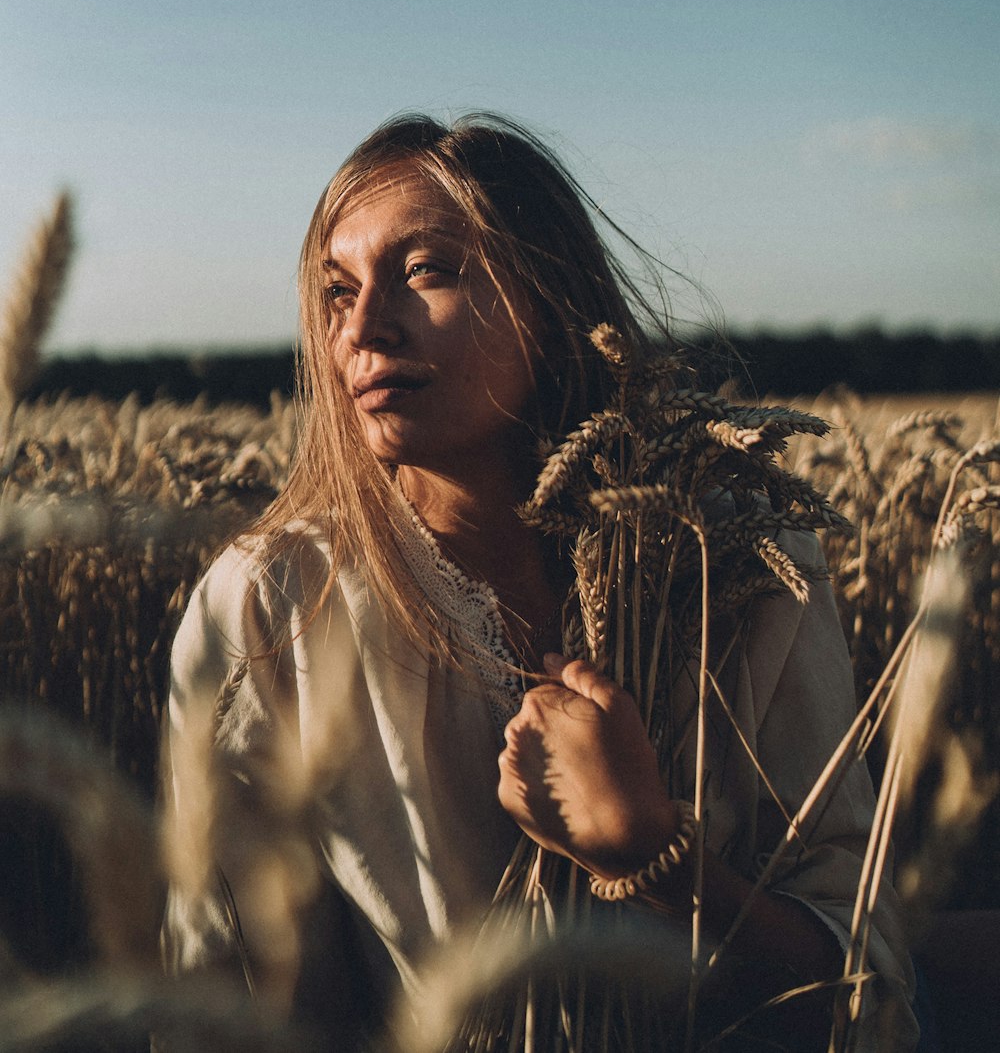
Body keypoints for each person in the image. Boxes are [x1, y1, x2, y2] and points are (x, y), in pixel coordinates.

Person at [162, 113, 917, 1050]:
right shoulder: (268, 605)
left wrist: (653, 857)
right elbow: (229, 1003)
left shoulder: (744, 572)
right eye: (336, 291)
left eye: (426, 269)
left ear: (551, 306)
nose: (362, 328)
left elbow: (863, 991)